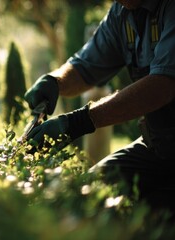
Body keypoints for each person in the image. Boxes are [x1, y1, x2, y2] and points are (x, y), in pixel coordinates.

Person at [24, 0, 175, 208]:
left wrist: (77, 122)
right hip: (156, 147)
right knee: (81, 196)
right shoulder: (121, 12)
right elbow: (86, 66)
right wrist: (55, 81)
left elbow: (162, 86)